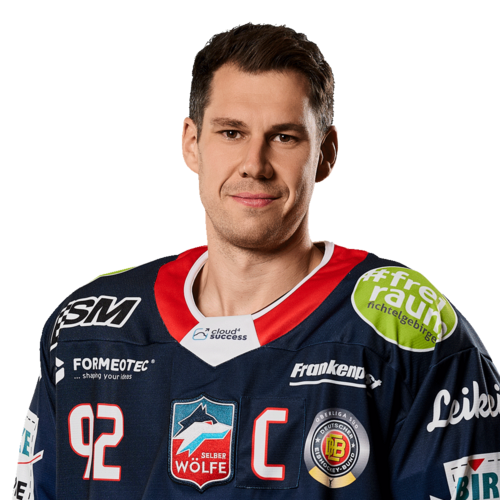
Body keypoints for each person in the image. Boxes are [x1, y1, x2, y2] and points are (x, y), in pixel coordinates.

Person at [12, 22, 499, 499]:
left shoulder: (407, 325)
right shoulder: (86, 325)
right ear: (190, 143)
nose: (254, 164)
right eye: (231, 133)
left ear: (327, 153)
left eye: (284, 137)